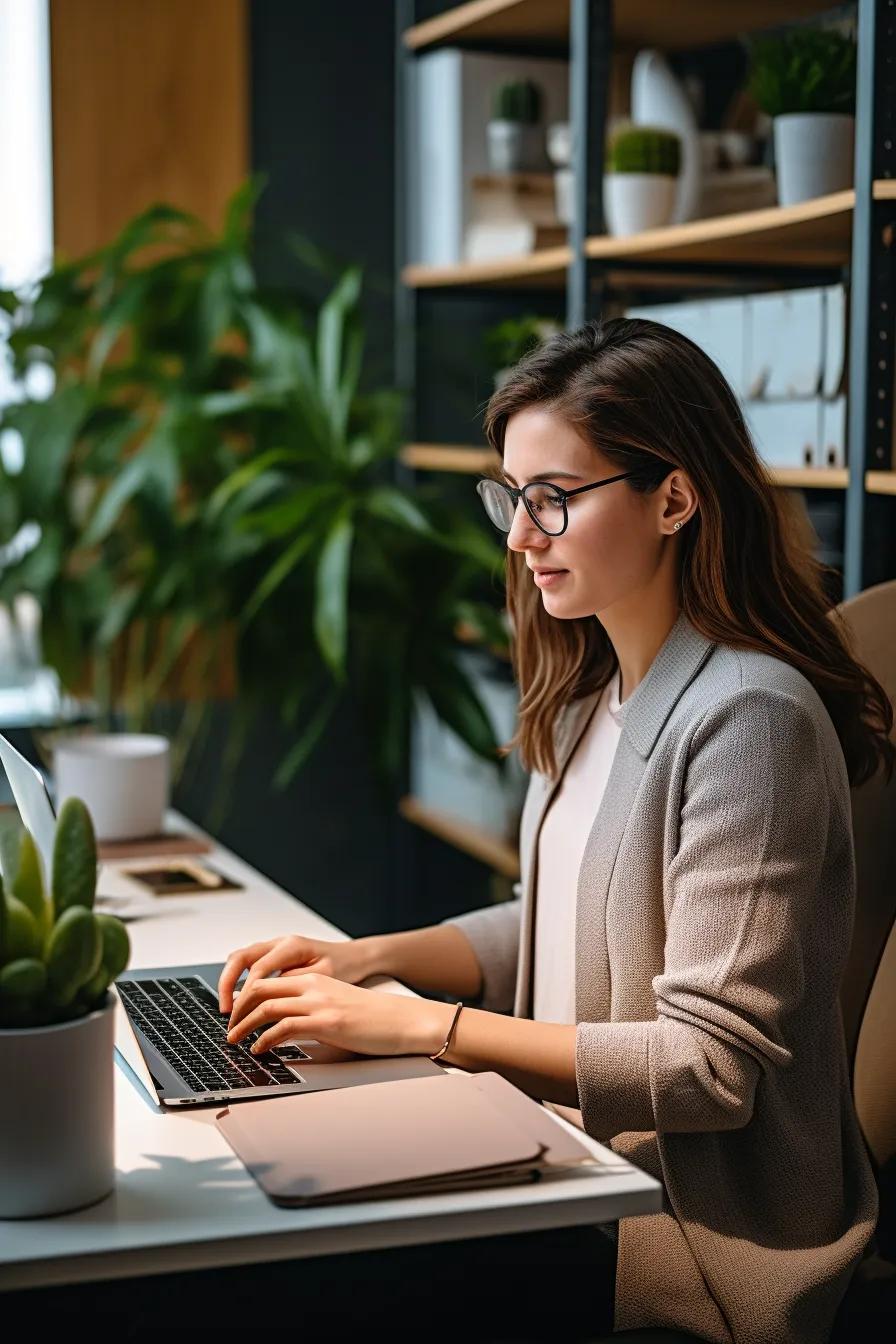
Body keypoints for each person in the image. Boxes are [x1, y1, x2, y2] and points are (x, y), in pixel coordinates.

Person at [218, 319, 892, 1344]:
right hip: (557, 1164)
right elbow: (561, 916)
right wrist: (368, 961)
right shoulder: (594, 689)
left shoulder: (748, 721)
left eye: (551, 500)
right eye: (509, 497)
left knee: (275, 1283)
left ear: (672, 496)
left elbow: (705, 1071)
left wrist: (416, 1028)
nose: (517, 536)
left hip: (674, 1232)